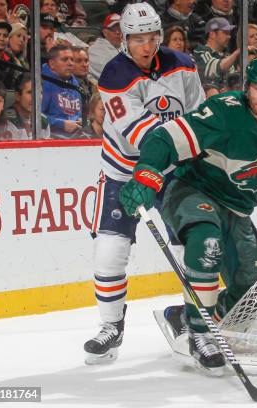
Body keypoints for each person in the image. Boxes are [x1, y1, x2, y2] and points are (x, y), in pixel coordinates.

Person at [118, 55, 257, 373]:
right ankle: (200, 334)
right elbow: (165, 137)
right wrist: (146, 176)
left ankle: (200, 314)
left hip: (237, 208)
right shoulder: (223, 111)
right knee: (207, 244)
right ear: (247, 87)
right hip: (194, 191)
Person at [82, 2, 205, 365]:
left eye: (152, 37)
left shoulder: (183, 65)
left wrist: (199, 155)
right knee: (109, 251)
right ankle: (110, 327)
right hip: (124, 172)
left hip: (172, 173)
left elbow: (199, 116)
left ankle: (196, 325)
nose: (146, 46)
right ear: (125, 39)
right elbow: (139, 136)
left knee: (189, 248)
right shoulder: (114, 75)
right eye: (138, 39)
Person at [41, 44, 83, 139]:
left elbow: (78, 113)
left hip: (76, 136)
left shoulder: (76, 84)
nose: (71, 63)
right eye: (65, 59)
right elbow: (36, 117)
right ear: (52, 64)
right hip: (51, 137)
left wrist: (81, 120)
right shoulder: (43, 83)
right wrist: (60, 124)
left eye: (72, 59)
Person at [192, 17, 241, 87]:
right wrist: (237, 52)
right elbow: (214, 70)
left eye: (229, 33)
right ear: (212, 34)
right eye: (225, 33)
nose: (229, 37)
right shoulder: (200, 51)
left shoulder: (227, 56)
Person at [88, 13, 122, 80]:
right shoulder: (96, 50)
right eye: (115, 29)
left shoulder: (125, 46)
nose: (119, 33)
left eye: (121, 29)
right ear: (105, 32)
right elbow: (114, 75)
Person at [5, 73, 33, 138]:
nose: (37, 97)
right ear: (17, 96)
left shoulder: (43, 121)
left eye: (40, 92)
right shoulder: (7, 120)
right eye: (30, 92)